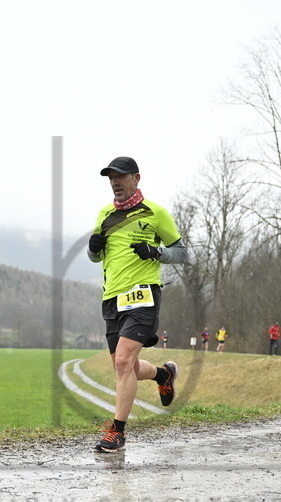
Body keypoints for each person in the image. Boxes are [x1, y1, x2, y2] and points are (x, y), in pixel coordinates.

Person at [87, 156, 187, 452]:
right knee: (123, 366)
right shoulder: (105, 214)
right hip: (111, 298)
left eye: (120, 177)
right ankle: (163, 374)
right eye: (110, 178)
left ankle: (117, 432)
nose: (115, 183)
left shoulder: (156, 213)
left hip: (143, 295)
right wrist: (93, 250)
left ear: (136, 178)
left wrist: (156, 252)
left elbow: (180, 253)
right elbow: (95, 257)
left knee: (122, 362)